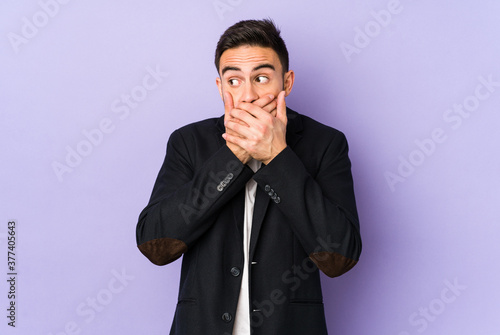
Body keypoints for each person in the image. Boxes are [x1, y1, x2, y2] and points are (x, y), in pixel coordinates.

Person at [136, 19, 362, 335]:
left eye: (261, 78)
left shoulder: (325, 144)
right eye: (234, 81)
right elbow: (156, 246)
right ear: (219, 87)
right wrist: (234, 157)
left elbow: (339, 257)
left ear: (287, 82)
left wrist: (277, 157)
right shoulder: (188, 142)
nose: (248, 95)